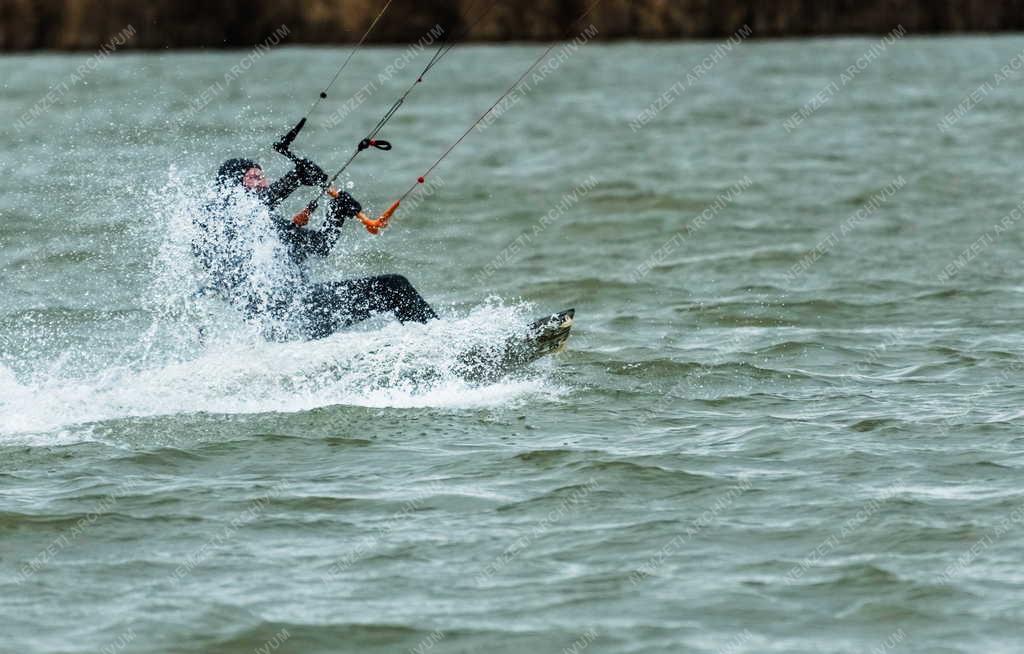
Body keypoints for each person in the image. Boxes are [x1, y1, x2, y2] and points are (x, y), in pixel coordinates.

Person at [193, 156, 437, 340]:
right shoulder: (220, 217)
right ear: (233, 185)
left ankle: (438, 344)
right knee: (393, 286)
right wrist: (296, 177)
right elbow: (253, 205)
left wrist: (337, 213)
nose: (263, 183)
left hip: (301, 309)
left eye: (263, 176)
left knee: (395, 287)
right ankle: (438, 344)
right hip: (281, 318)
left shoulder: (266, 226)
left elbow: (321, 246)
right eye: (254, 177)